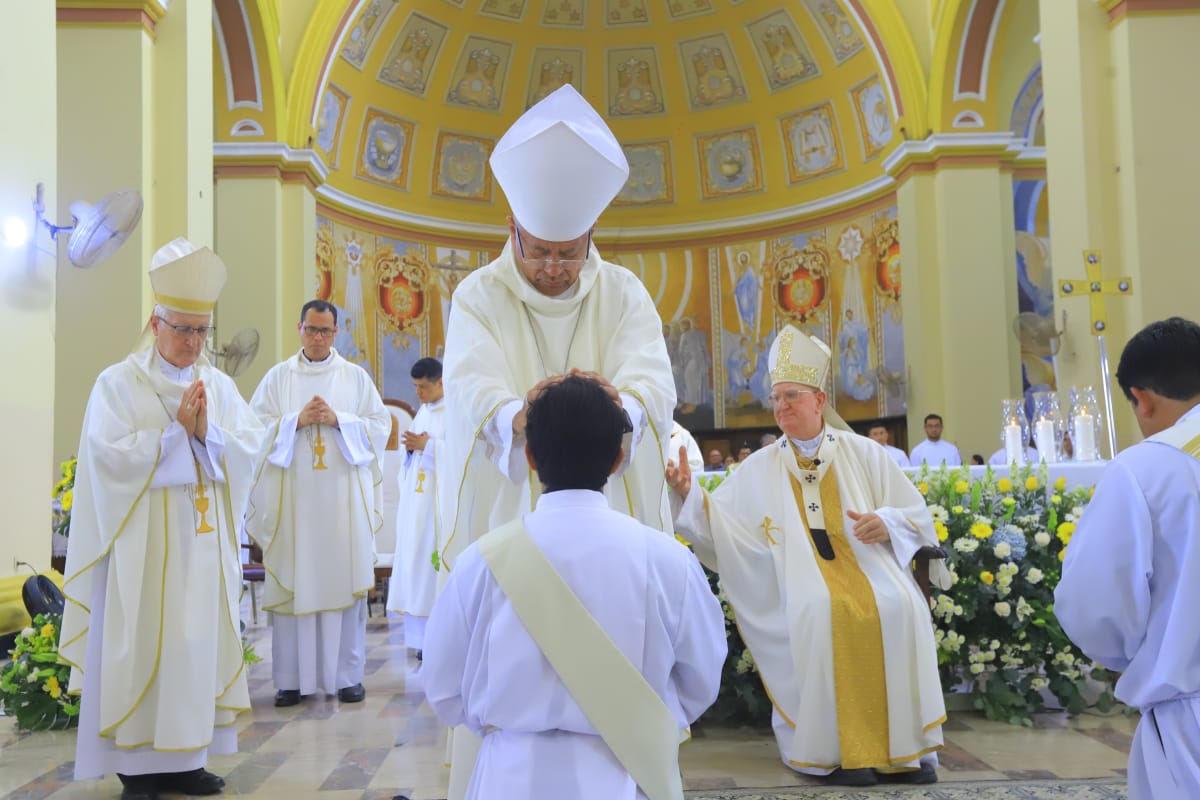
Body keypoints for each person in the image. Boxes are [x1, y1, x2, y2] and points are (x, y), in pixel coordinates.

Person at [436, 83, 677, 798]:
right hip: (516, 515)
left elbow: (652, 384)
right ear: (512, 229)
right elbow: (473, 385)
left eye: (568, 254)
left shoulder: (624, 292)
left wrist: (610, 413)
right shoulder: (478, 295)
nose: (552, 268)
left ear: (590, 240)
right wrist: (523, 417)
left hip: (609, 520)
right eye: (540, 251)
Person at [666, 325, 946, 787]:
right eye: (776, 398)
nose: (781, 407)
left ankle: (904, 753)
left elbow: (914, 513)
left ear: (819, 400)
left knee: (900, 606)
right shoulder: (760, 465)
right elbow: (723, 523)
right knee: (821, 609)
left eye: (791, 396)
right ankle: (836, 752)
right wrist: (689, 494)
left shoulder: (865, 453)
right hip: (799, 578)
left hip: (873, 567)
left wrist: (889, 523)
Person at [424, 375, 726, 799]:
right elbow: (701, 678)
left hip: (509, 776)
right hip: (629, 772)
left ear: (529, 456)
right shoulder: (667, 561)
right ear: (619, 458)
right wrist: (641, 717)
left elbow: (442, 686)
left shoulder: (481, 563)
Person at [60, 239, 268, 800]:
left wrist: (210, 436)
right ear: (156, 324)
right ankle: (139, 769)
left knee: (193, 647)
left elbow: (251, 445)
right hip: (144, 547)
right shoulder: (118, 384)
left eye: (202, 331)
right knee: (147, 644)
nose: (194, 343)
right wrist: (175, 437)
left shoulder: (219, 386)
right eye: (183, 330)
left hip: (202, 547)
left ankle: (187, 759)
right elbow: (108, 456)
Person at [1055, 317, 1200, 800]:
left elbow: (1094, 605)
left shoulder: (1146, 469)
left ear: (1143, 398)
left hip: (1189, 723)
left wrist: (1133, 654)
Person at [247, 300, 390, 707]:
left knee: (342, 582)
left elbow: (381, 427)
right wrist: (295, 422)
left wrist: (340, 421)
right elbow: (252, 428)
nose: (318, 337)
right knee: (295, 580)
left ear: (336, 333)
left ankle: (347, 677)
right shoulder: (278, 378)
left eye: (326, 331)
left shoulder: (354, 378)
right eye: (312, 329)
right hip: (295, 505)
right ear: (300, 328)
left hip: (341, 504)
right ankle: (290, 680)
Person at [388, 357, 446, 651]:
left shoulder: (455, 411)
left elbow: (463, 455)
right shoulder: (423, 412)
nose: (419, 394)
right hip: (417, 504)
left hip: (438, 507)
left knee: (431, 569)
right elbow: (410, 461)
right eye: (415, 387)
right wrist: (411, 451)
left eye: (424, 387)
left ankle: (439, 641)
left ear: (441, 382)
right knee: (416, 565)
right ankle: (421, 642)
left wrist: (428, 446)